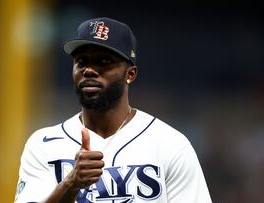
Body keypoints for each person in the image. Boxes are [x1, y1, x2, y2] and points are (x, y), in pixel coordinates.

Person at [14, 17, 212, 203]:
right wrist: (71, 184)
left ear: (130, 74)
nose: (89, 70)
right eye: (81, 61)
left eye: (104, 61)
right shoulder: (43, 144)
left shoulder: (170, 144)